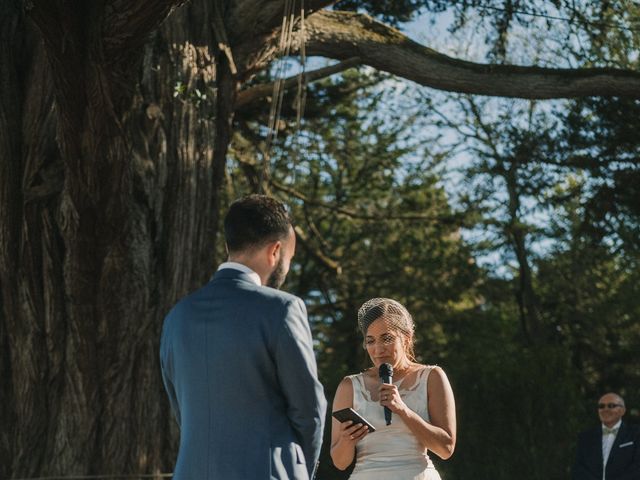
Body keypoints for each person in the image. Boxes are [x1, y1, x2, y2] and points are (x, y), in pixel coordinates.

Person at [160, 194, 327, 479]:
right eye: (289, 258)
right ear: (275, 251)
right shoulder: (282, 309)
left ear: (228, 245)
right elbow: (309, 411)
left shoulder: (177, 317)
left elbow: (181, 411)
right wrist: (299, 471)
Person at [330, 298, 456, 479]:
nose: (378, 349)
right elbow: (340, 463)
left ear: (406, 338)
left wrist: (403, 410)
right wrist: (346, 440)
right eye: (370, 341)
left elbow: (446, 448)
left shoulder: (432, 377)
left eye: (386, 338)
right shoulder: (349, 386)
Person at [573, 392, 640, 480]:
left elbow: (637, 467)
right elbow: (579, 468)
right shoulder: (586, 437)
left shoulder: (636, 433)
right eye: (601, 406)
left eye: (611, 406)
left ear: (622, 411)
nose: (605, 409)